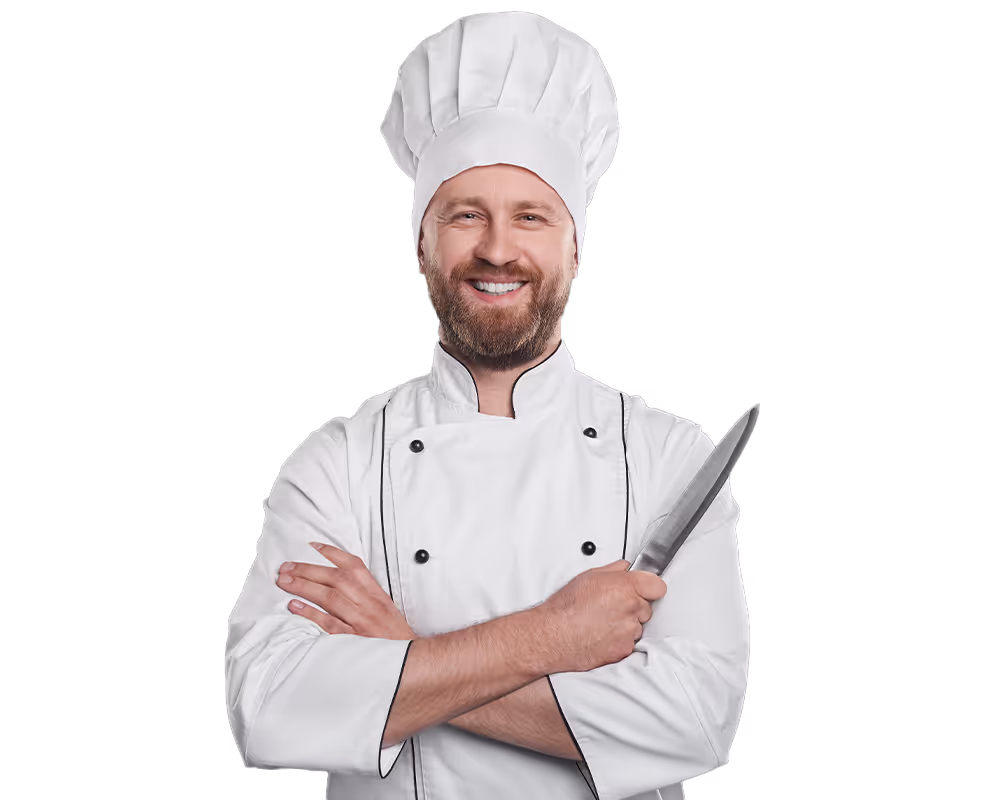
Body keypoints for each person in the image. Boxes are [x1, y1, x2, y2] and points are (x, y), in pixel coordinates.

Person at [224, 11, 750, 800]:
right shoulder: (337, 463)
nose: (498, 248)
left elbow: (697, 719)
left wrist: (400, 654)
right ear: (420, 243)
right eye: (465, 213)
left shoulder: (670, 458)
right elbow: (267, 706)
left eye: (531, 217)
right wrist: (552, 638)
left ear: (576, 247)